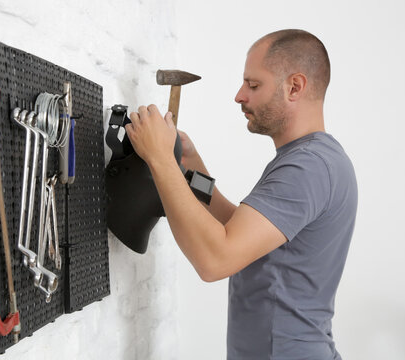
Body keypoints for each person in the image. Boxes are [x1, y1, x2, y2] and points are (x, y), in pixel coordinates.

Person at [124, 29, 357, 359]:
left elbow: (215, 260)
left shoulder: (308, 167)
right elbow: (241, 230)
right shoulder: (312, 159)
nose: (239, 95)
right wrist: (192, 171)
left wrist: (161, 158)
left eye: (254, 84)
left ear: (295, 87)